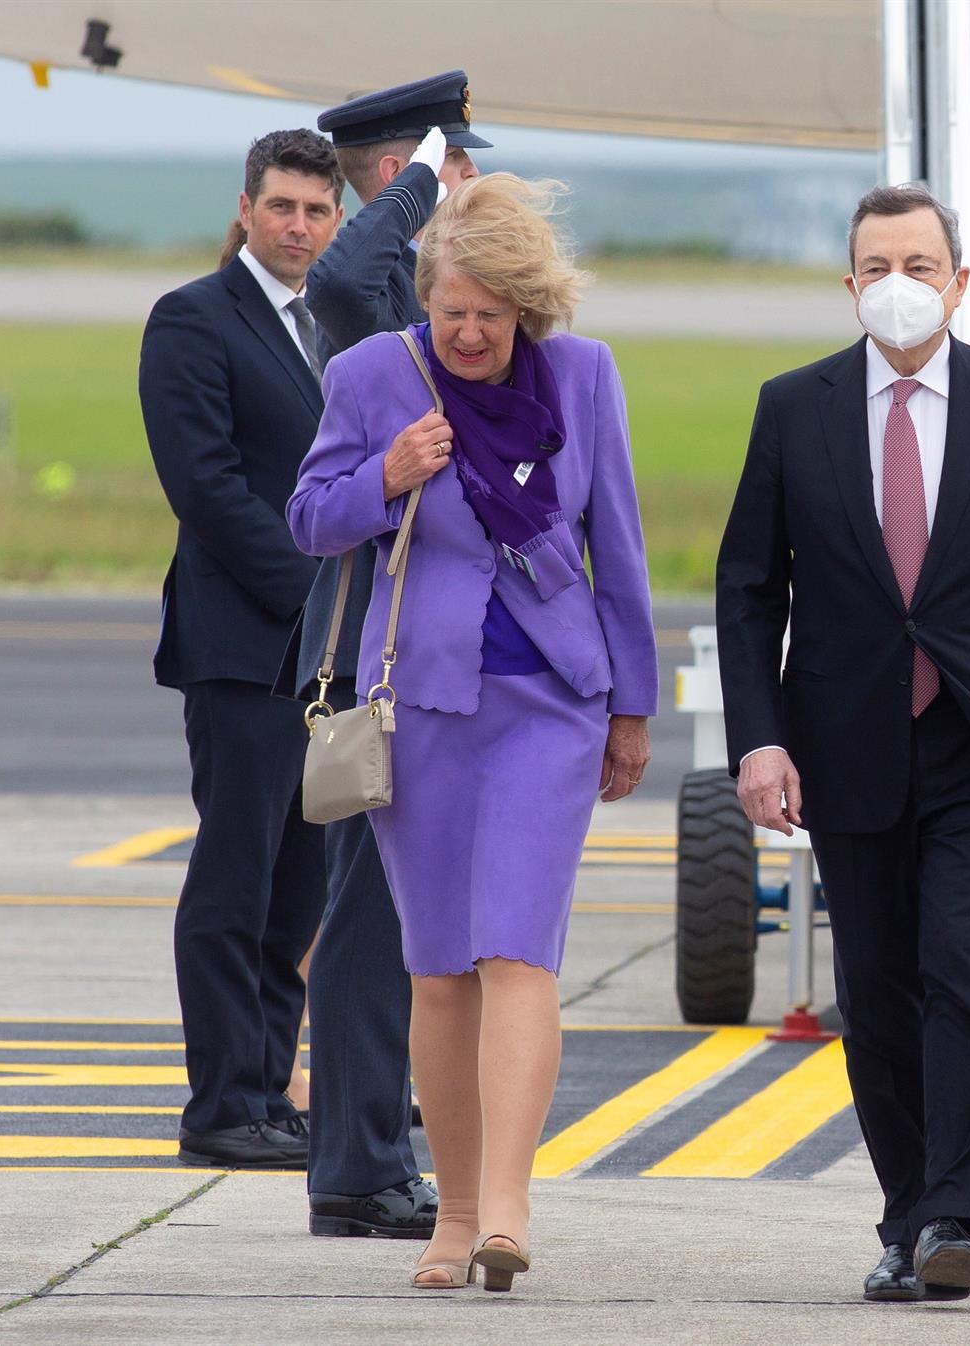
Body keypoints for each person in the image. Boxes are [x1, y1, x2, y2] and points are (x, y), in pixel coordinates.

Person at [715, 183, 970, 1303]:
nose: (898, 285)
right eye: (876, 265)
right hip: (845, 744)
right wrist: (759, 742)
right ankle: (906, 1210)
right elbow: (749, 592)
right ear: (848, 285)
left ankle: (961, 1213)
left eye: (919, 265)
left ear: (958, 281)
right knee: (877, 989)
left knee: (961, 968)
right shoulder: (795, 407)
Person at [287, 173, 657, 1292]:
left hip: (552, 700)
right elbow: (308, 515)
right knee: (439, 965)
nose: (469, 332)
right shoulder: (370, 376)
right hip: (423, 700)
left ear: (527, 309)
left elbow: (620, 544)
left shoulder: (582, 377)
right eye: (453, 310)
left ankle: (507, 1201)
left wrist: (631, 705)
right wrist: (385, 477)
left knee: (516, 947)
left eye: (492, 314)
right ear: (427, 295)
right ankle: (450, 1216)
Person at [285, 69, 484, 1243]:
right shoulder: (378, 299)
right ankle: (357, 1167)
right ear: (402, 172)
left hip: (430, 667)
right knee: (366, 927)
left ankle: (371, 1154)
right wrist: (421, 177)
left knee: (390, 923)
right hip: (378, 670)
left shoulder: (429, 306)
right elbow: (351, 268)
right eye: (458, 166)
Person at [137, 129, 345, 1168]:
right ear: (246, 208)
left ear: (336, 218)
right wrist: (317, 595)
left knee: (297, 890)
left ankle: (269, 1087)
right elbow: (206, 484)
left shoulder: (334, 326)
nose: (298, 226)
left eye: (316, 210)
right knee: (234, 879)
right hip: (244, 644)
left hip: (324, 657)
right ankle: (220, 1104)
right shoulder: (193, 317)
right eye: (281, 207)